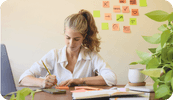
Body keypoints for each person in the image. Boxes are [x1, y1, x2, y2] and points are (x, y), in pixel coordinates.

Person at [19, 9, 117, 88]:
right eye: (68, 38)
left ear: (84, 37)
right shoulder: (54, 55)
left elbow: (112, 78)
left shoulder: (91, 56)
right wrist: (42, 82)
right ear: (64, 33)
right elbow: (23, 78)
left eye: (76, 39)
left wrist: (81, 80)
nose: (71, 44)